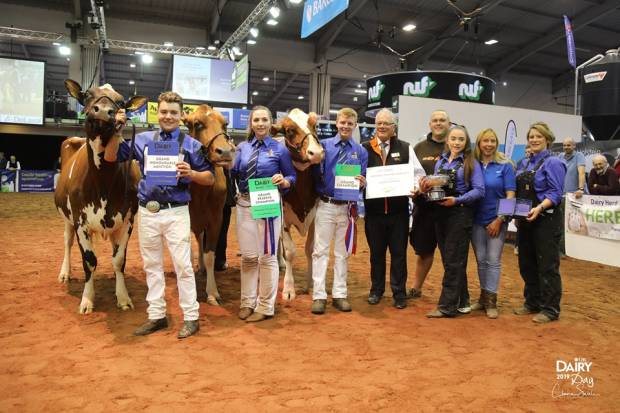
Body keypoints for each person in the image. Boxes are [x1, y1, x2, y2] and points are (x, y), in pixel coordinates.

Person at [108, 91, 216, 339]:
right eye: (164, 111)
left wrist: (192, 174)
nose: (168, 116)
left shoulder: (192, 145)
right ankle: (156, 315)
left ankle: (191, 317)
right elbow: (112, 156)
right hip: (148, 211)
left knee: (183, 267)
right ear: (159, 113)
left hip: (177, 212)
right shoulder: (142, 139)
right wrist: (117, 129)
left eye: (174, 113)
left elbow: (209, 178)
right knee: (152, 266)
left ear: (181, 116)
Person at [232, 106, 296, 322]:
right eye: (256, 120)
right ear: (251, 123)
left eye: (264, 120)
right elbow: (232, 172)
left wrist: (285, 181)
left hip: (268, 205)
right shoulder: (241, 148)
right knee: (248, 257)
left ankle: (266, 306)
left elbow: (291, 176)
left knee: (267, 256)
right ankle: (247, 302)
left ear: (271, 123)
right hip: (244, 205)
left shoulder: (280, 149)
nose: (260, 123)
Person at [363, 108, 425, 309]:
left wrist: (415, 187)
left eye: (386, 124)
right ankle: (376, 290)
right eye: (379, 123)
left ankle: (399, 293)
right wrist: (360, 182)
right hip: (373, 213)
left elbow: (418, 173)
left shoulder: (406, 148)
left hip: (398, 214)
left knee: (399, 254)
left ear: (394, 128)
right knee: (376, 254)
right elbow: (357, 174)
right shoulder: (365, 148)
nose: (381, 127)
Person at [421, 125, 485, 318]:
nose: (457, 142)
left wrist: (457, 200)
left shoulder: (471, 162)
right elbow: (436, 185)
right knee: (451, 260)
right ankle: (462, 301)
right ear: (447, 140)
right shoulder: (441, 161)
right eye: (454, 139)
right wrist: (425, 188)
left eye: (461, 139)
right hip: (439, 212)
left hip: (459, 213)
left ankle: (446, 306)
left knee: (453, 261)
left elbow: (479, 190)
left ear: (466, 143)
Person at [310, 107, 368, 315]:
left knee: (342, 253)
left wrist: (362, 182)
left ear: (355, 125)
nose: (345, 126)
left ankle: (340, 294)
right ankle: (319, 296)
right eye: (342, 122)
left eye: (349, 124)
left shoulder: (360, 151)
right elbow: (314, 173)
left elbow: (362, 179)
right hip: (325, 204)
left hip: (347, 208)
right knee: (320, 251)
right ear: (337, 123)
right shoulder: (323, 146)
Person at [514, 121, 566, 323]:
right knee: (526, 263)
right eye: (531, 137)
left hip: (546, 219)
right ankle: (532, 302)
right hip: (525, 220)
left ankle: (550, 308)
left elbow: (556, 193)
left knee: (547, 265)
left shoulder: (553, 163)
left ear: (548, 140)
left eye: (539, 136)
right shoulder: (523, 163)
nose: (534, 140)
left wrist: (540, 207)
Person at [471, 129, 516, 319]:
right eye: (485, 141)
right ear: (479, 143)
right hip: (475, 220)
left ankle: (491, 301)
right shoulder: (472, 165)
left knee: (493, 260)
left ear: (496, 143)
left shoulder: (505, 166)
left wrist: (500, 219)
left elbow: (511, 195)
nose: (489, 144)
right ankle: (483, 297)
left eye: (492, 141)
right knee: (481, 260)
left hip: (496, 220)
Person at [408, 110, 450, 299]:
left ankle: (451, 292)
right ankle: (416, 288)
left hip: (449, 208)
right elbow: (410, 173)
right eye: (435, 120)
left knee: (451, 254)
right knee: (423, 250)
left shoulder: (455, 145)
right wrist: (414, 189)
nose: (438, 123)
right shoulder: (419, 147)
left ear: (449, 124)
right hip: (424, 208)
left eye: (442, 120)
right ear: (430, 124)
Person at [214, 169, 236, 271]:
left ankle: (213, 261)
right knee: (222, 230)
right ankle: (219, 261)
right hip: (224, 200)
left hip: (215, 201)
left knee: (210, 231)